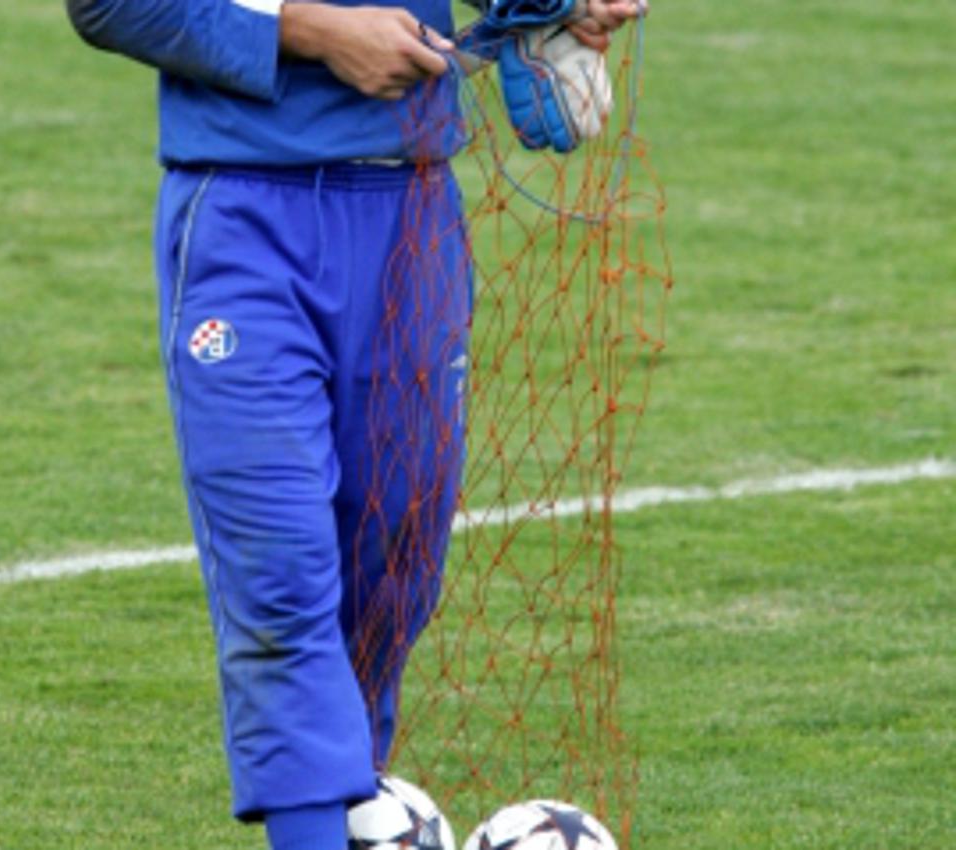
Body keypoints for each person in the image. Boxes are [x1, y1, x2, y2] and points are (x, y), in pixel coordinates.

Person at [65, 1, 642, 847]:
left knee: (391, 570)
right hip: (246, 223)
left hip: (411, 216)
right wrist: (311, 30)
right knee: (283, 576)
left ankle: (353, 811)